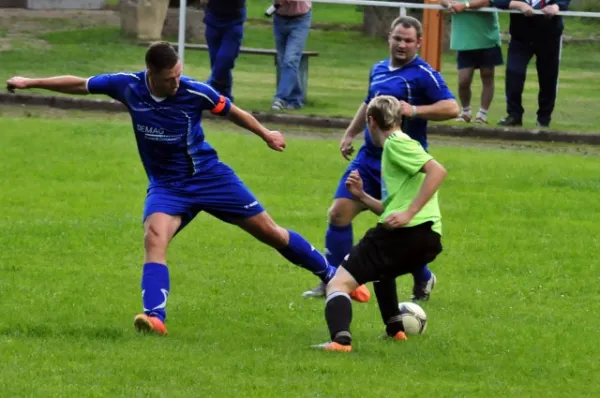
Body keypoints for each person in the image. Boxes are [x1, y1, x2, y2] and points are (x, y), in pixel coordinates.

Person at [5, 41, 359, 336]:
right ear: (151, 74)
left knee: (271, 233)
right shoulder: (126, 85)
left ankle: (331, 276)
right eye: (169, 79)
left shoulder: (194, 91)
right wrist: (31, 82)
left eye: (178, 75)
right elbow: (80, 84)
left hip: (209, 176)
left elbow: (232, 110)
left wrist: (266, 134)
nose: (176, 83)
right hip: (167, 186)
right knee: (154, 237)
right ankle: (155, 316)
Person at [302, 16, 458, 302]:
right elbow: (369, 103)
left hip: (401, 162)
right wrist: (350, 133)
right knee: (338, 213)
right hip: (368, 158)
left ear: (418, 43)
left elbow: (452, 107)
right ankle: (332, 281)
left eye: (408, 40)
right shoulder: (378, 69)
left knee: (397, 226)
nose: (402, 44)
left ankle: (422, 276)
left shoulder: (424, 74)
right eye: (398, 38)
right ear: (389, 37)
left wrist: (415, 111)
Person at [312, 96, 447, 352]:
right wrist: (362, 195)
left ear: (371, 122)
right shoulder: (398, 148)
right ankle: (396, 330)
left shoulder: (396, 144)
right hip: (427, 238)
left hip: (408, 231)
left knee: (337, 283)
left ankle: (340, 341)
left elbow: (437, 171)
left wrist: (409, 213)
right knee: (381, 271)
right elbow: (390, 209)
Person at [492, 0, 571, 128]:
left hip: (549, 37)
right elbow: (498, 1)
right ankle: (514, 115)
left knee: (548, 78)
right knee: (514, 73)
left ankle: (544, 118)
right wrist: (519, 5)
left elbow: (564, 1)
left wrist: (555, 6)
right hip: (520, 38)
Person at [441, 0, 503, 124]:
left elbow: (487, 1)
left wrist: (465, 5)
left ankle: (482, 114)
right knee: (464, 80)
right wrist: (449, 4)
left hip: (487, 37)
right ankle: (466, 112)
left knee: (487, 75)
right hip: (464, 38)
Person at [271, 0, 312, 111]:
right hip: (279, 19)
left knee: (290, 60)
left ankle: (280, 98)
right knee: (284, 61)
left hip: (300, 19)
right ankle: (296, 99)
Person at [202, 0, 247, 101]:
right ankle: (225, 98)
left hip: (234, 19)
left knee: (225, 58)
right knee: (216, 60)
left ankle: (210, 86)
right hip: (212, 17)